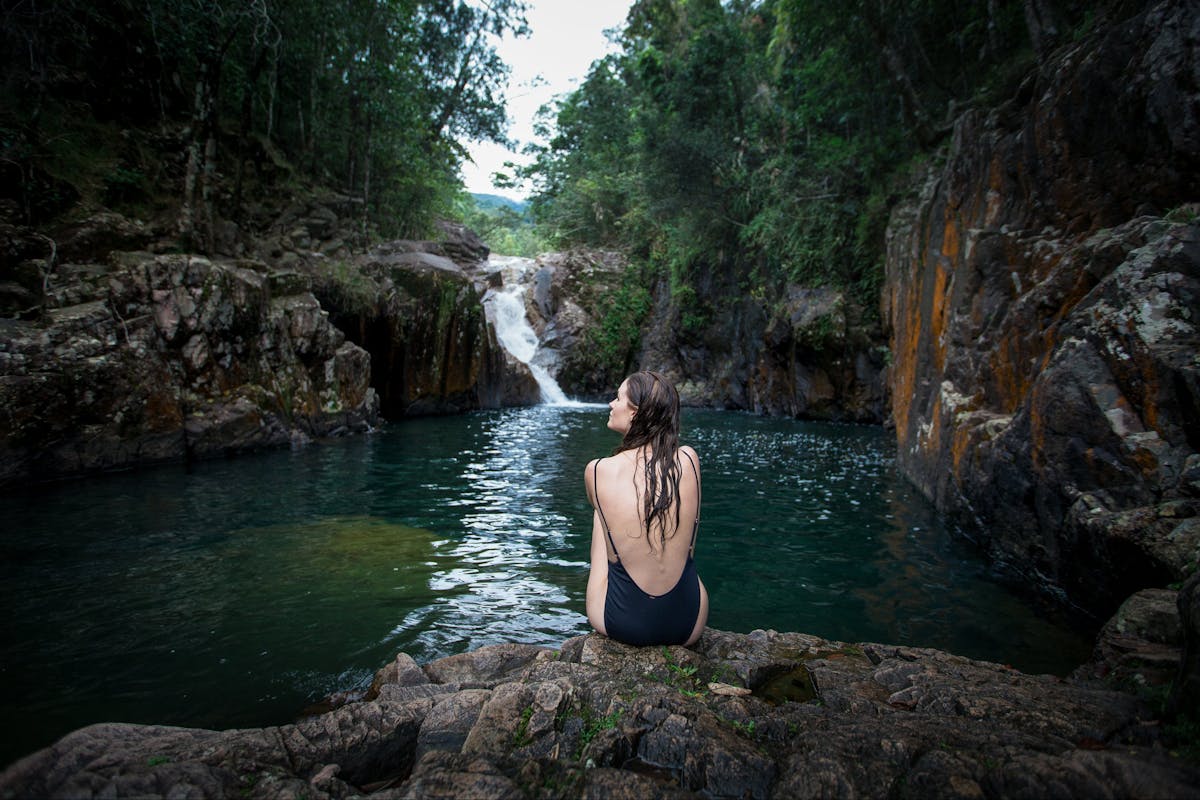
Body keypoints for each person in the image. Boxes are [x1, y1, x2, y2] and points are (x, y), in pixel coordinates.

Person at [584, 371, 709, 646]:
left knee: (602, 510)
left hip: (624, 623)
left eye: (618, 398)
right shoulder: (689, 459)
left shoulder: (598, 471)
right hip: (688, 623)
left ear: (634, 414)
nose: (611, 404)